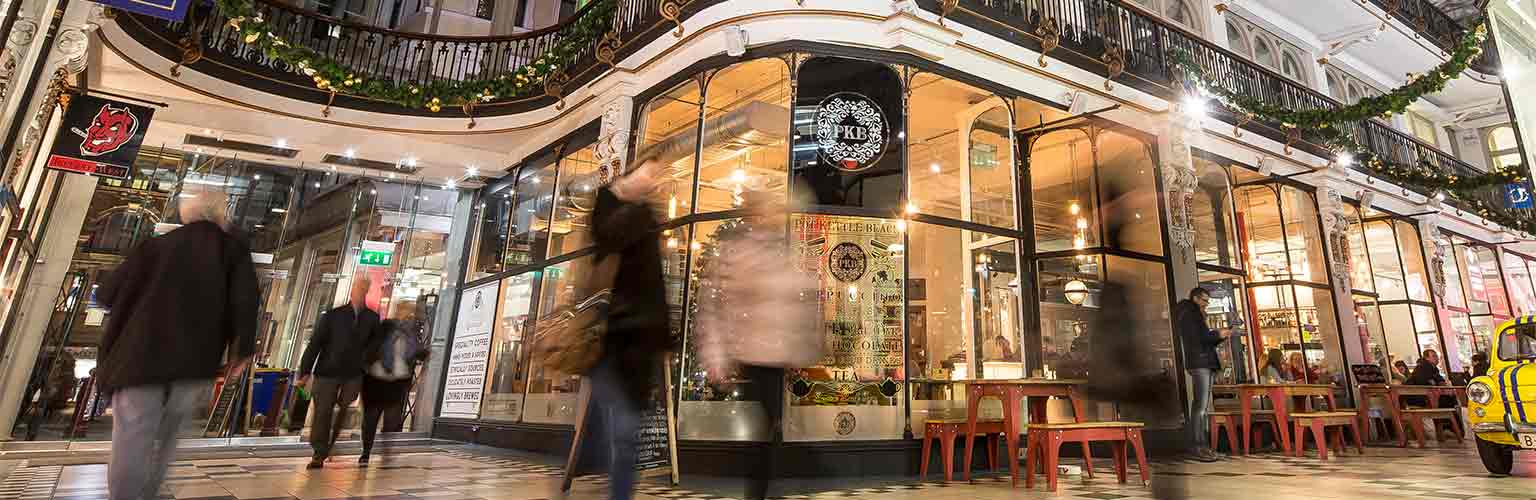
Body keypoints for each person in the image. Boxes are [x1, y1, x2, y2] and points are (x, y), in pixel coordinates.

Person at [98, 189, 260, 500]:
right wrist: (242, 352)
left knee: (133, 436)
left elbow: (106, 294)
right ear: (220, 215)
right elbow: (246, 303)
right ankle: (149, 493)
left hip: (138, 360)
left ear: (186, 214)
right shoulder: (233, 252)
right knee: (168, 438)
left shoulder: (154, 247)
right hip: (193, 365)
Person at [696, 188, 818, 500]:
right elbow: (714, 308)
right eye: (767, 211)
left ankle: (760, 490)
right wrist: (715, 357)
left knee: (770, 429)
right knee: (764, 430)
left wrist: (800, 348)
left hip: (774, 357)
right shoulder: (739, 252)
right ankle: (758, 492)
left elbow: (793, 302)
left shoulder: (779, 252)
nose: (772, 217)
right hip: (751, 355)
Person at [582, 160, 673, 500]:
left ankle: (619, 492)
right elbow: (607, 238)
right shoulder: (610, 206)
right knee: (621, 429)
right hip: (611, 334)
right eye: (648, 172)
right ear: (629, 175)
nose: (654, 179)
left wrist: (664, 336)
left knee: (625, 432)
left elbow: (655, 282)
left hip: (640, 338)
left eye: (656, 174)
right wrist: (633, 199)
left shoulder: (646, 214)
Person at [297, 277, 382, 468]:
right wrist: (305, 371)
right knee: (323, 411)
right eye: (359, 287)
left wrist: (366, 362)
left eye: (364, 288)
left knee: (344, 407)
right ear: (352, 290)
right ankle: (319, 451)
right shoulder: (333, 316)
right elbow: (315, 344)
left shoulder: (371, 318)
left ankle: (330, 443)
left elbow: (375, 345)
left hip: (353, 373)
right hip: (328, 371)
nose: (361, 291)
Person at [359, 306, 427, 465]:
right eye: (404, 311)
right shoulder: (384, 327)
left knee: (391, 421)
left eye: (409, 312)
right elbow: (371, 348)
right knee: (370, 420)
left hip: (397, 381)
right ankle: (366, 452)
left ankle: (386, 453)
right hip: (377, 378)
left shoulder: (410, 334)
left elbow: (414, 352)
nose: (407, 315)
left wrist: (422, 353)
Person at [1174, 287, 1230, 461]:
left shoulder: (1190, 314)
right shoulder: (1191, 314)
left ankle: (1201, 445)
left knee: (1200, 405)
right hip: (1200, 363)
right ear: (1196, 298)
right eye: (1205, 300)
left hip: (1200, 361)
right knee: (1200, 407)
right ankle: (1199, 446)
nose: (1207, 304)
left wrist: (1218, 336)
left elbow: (1202, 340)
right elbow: (1200, 339)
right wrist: (1218, 334)